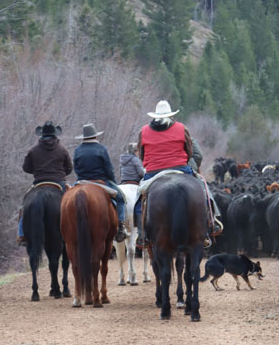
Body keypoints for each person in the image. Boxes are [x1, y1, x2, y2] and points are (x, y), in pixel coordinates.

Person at [136, 100, 222, 246]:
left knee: (139, 196)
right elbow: (190, 151)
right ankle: (211, 223)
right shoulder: (181, 128)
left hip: (153, 172)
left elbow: (142, 155)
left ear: (155, 116)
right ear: (171, 115)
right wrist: (185, 161)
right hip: (180, 167)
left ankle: (142, 234)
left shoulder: (143, 131)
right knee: (202, 187)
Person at [17, 121, 73, 246]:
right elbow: (69, 168)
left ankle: (22, 235)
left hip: (39, 182)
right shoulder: (62, 149)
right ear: (55, 135)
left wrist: (38, 171)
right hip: (59, 182)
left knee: (24, 207)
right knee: (72, 205)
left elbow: (26, 168)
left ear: (42, 135)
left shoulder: (33, 150)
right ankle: (74, 231)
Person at [73, 123, 127, 242]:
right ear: (95, 137)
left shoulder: (77, 150)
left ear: (83, 137)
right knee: (121, 199)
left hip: (82, 181)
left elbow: (75, 168)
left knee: (65, 199)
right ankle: (121, 227)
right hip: (101, 181)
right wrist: (112, 180)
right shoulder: (101, 149)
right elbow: (108, 168)